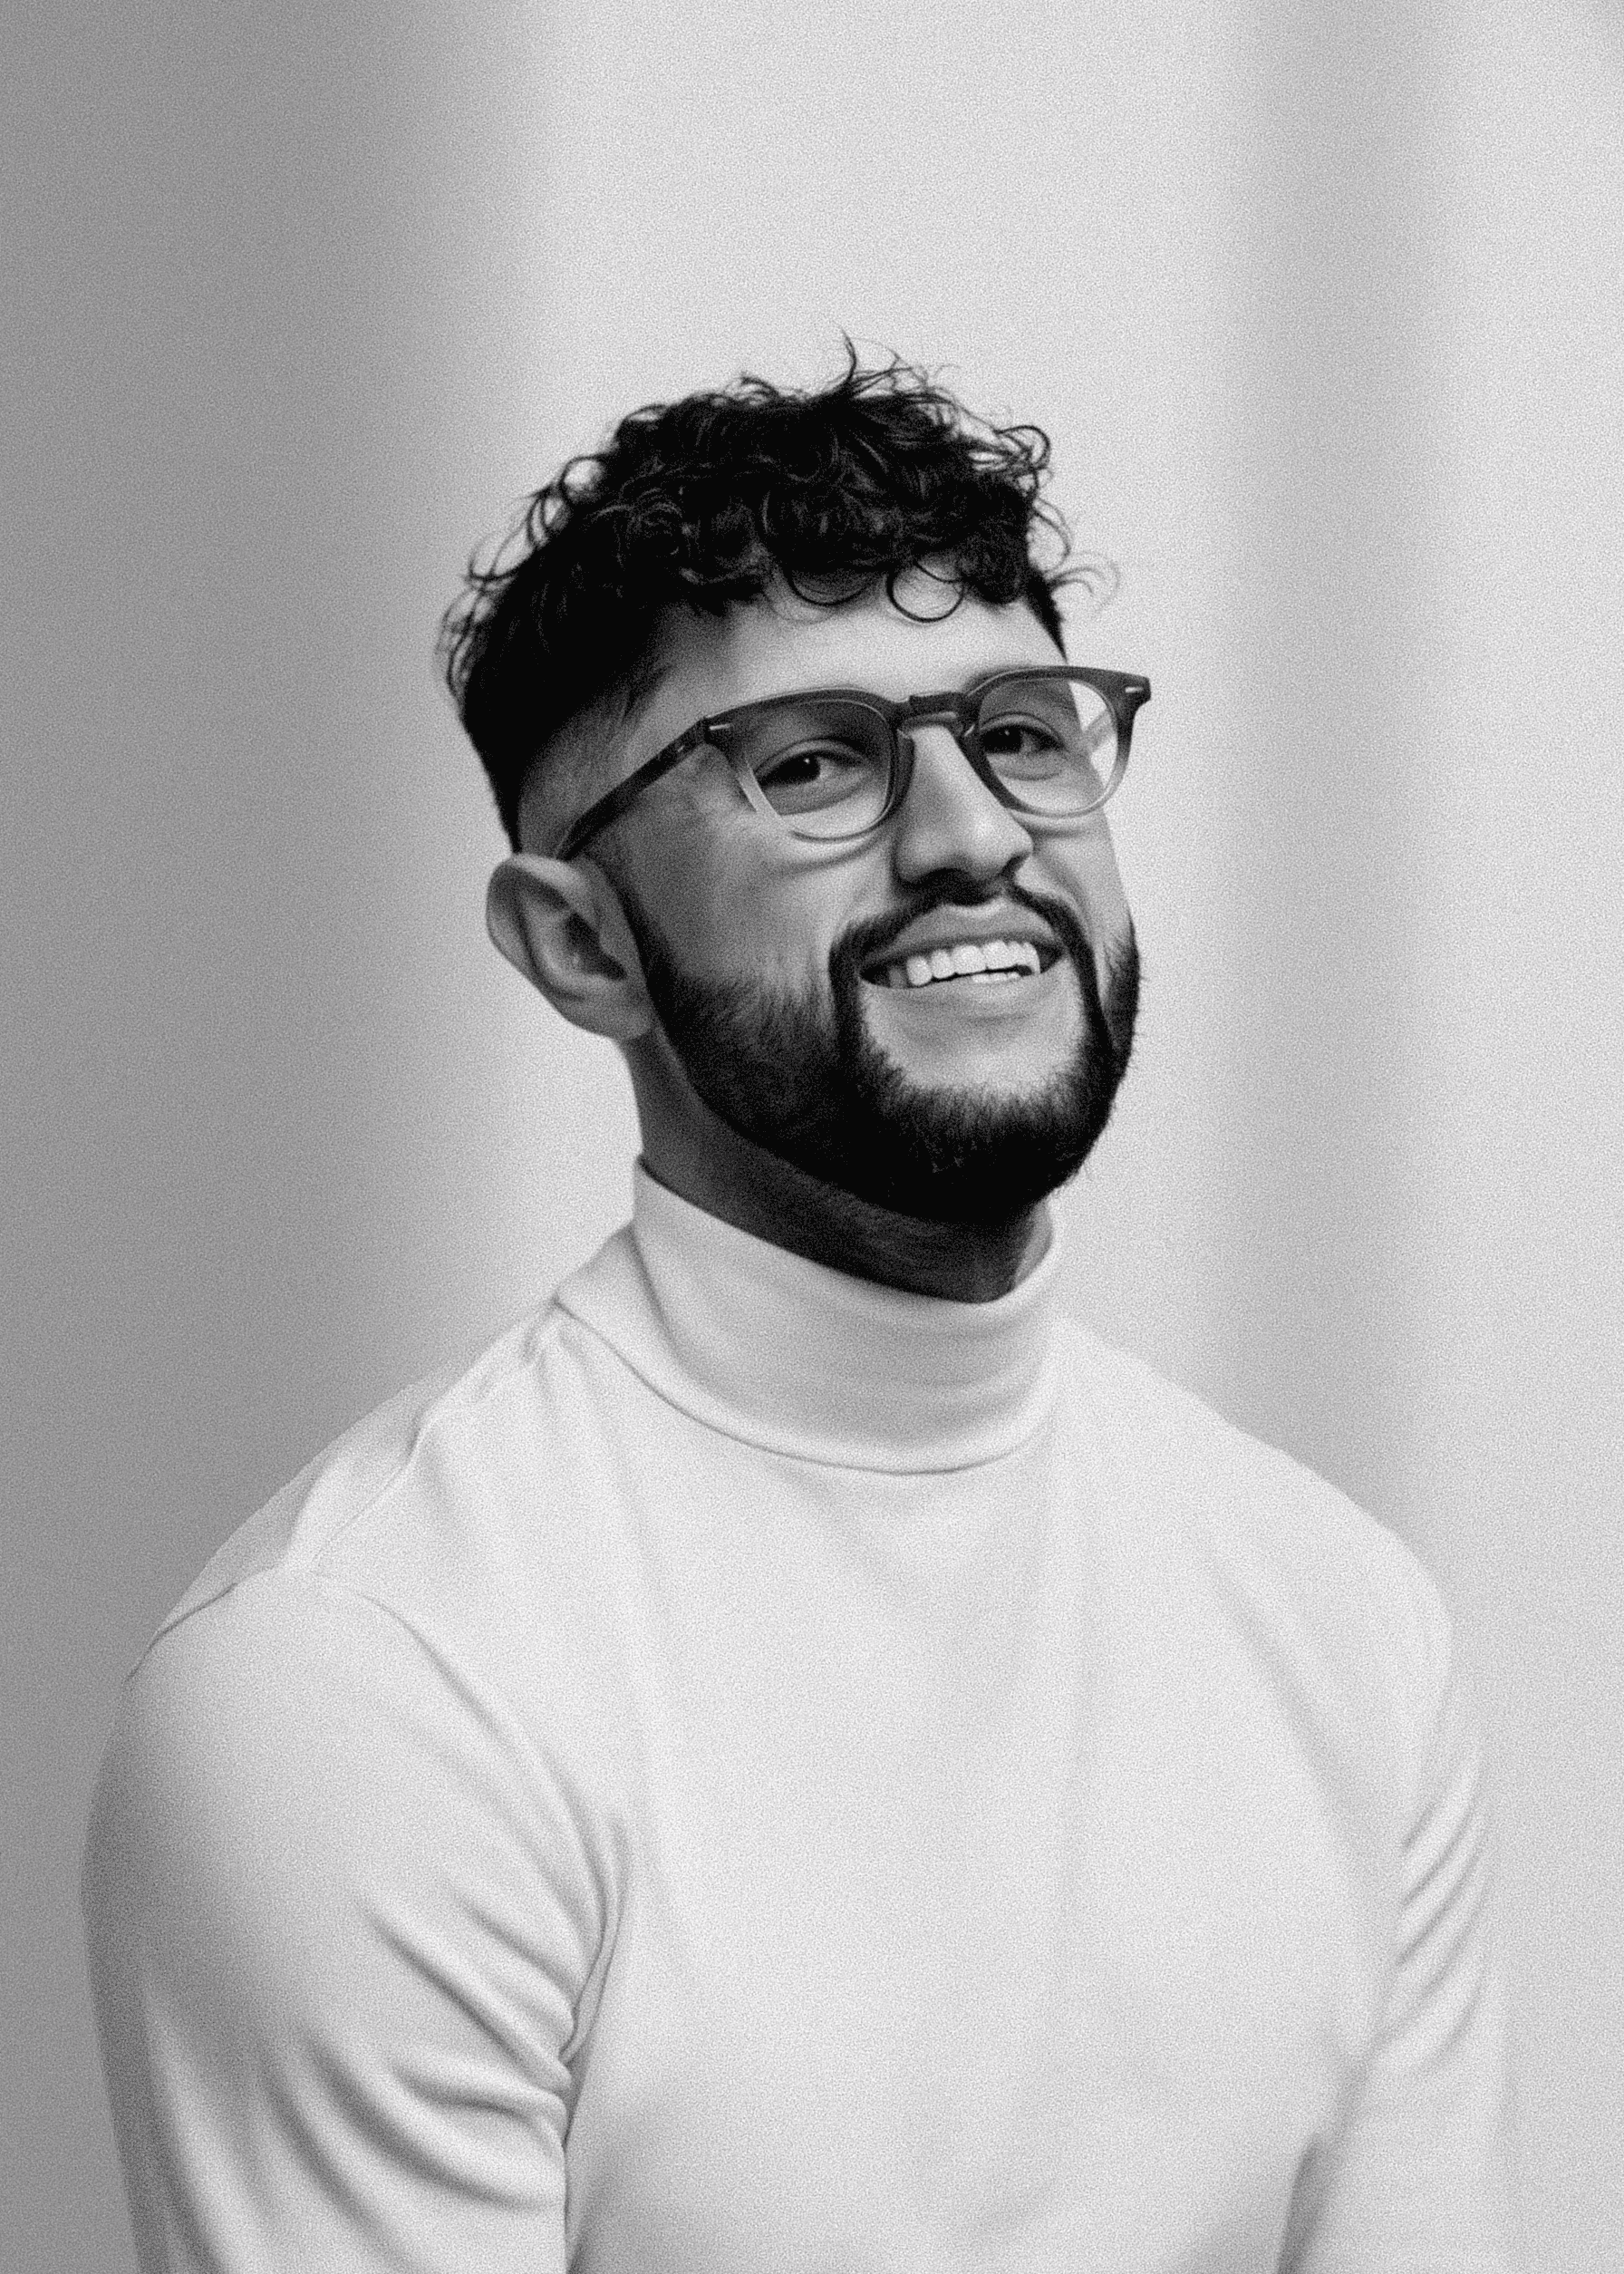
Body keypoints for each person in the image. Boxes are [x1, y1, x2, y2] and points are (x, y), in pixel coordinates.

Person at [82, 355, 1524, 2272]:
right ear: (581, 944)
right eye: (814, 764)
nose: (971, 836)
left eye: (1022, 734)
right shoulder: (363, 1685)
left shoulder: (1341, 1624)